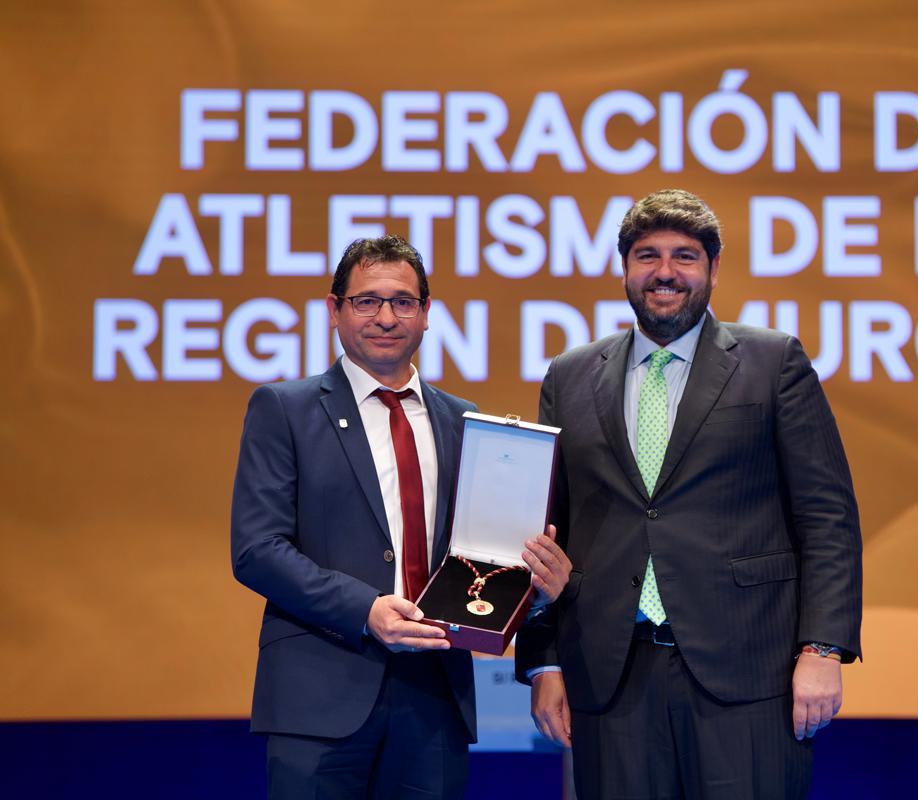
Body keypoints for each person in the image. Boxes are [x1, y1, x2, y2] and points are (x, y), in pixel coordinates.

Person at [515, 190, 862, 799]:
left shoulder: (772, 361)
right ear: (625, 268)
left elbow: (827, 517)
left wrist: (824, 648)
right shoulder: (569, 375)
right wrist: (544, 662)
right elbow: (547, 533)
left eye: (686, 256)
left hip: (749, 672)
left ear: (713, 269)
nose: (666, 272)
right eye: (647, 255)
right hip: (611, 675)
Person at [232, 234, 571, 799]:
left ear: (426, 314)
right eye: (366, 301)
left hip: (434, 699)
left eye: (403, 301)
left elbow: (480, 555)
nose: (386, 317)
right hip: (320, 699)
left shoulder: (467, 422)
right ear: (334, 310)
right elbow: (256, 550)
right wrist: (365, 610)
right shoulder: (283, 409)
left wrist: (532, 585)